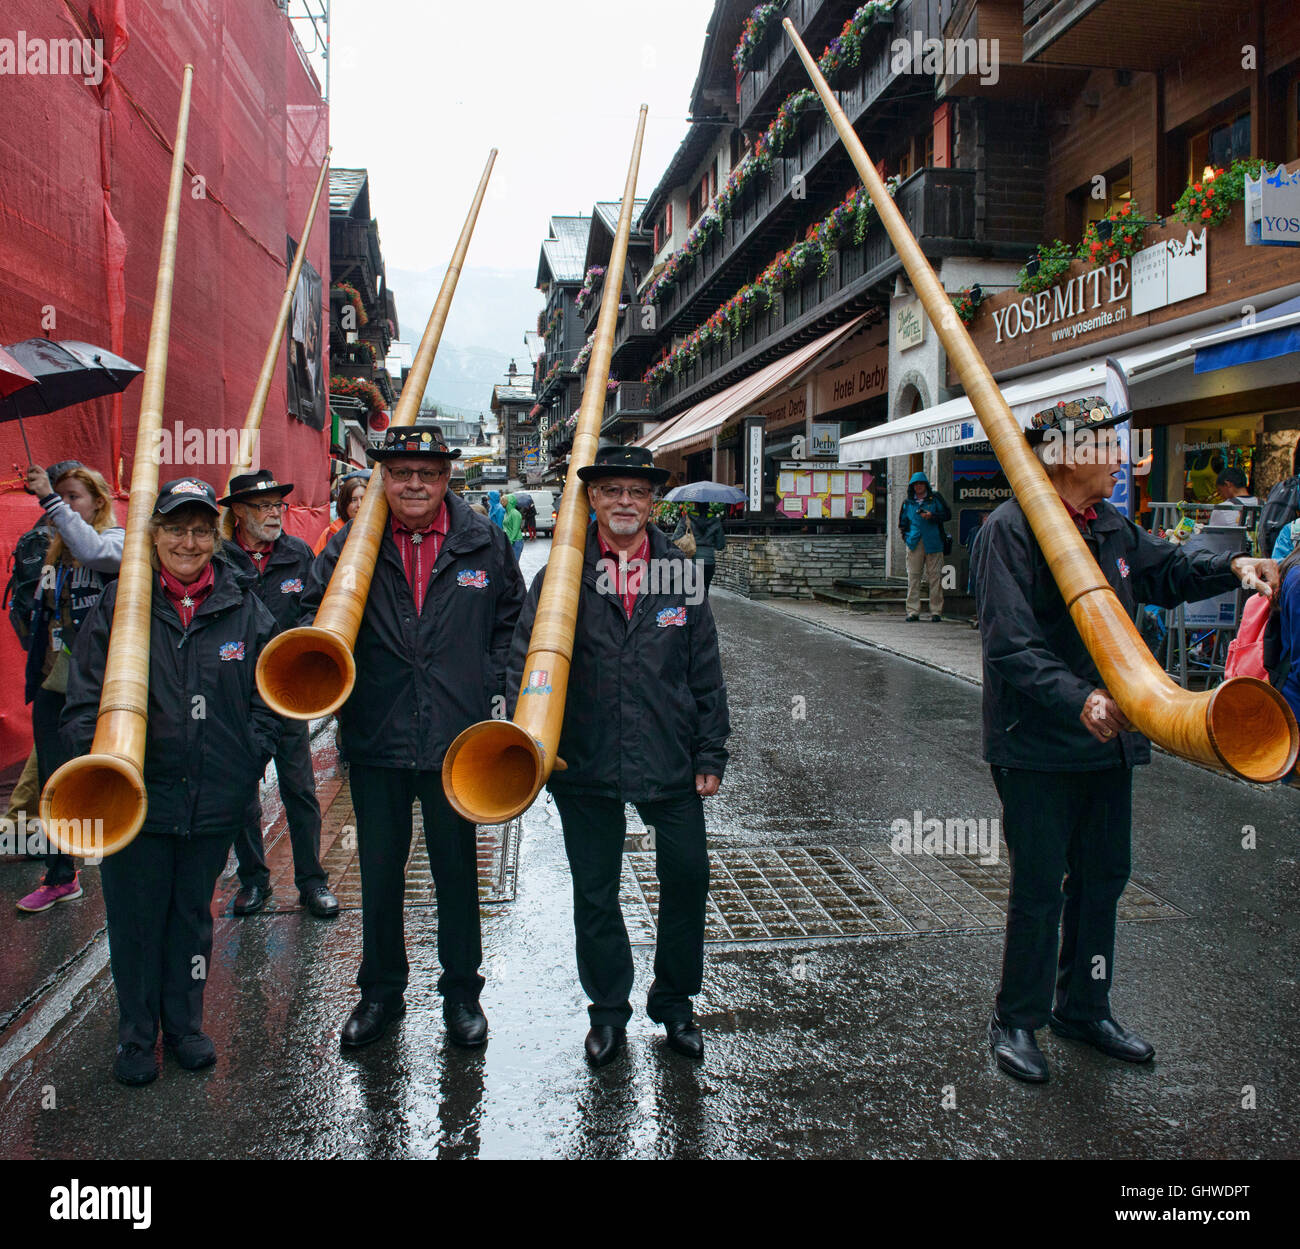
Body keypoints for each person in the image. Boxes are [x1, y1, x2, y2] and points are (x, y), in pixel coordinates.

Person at [970, 397, 1278, 1084]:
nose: (1120, 456)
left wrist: (1234, 566)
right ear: (1065, 453)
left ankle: (1083, 1004)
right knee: (1041, 885)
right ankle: (1017, 1018)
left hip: (1110, 742)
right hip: (1038, 742)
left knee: (1104, 876)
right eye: (1107, 445)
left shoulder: (1110, 524)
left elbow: (1167, 570)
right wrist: (1079, 698)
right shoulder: (1008, 529)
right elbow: (1009, 647)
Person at [301, 420, 524, 1049]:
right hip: (378, 737)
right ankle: (380, 995)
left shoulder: (482, 541)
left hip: (459, 742)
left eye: (428, 473)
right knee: (379, 871)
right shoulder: (350, 544)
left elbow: (513, 617)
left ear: (447, 476)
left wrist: (488, 682)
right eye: (401, 473)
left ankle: (461, 996)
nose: (415, 484)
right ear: (384, 479)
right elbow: (313, 620)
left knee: (457, 872)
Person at [507, 445, 729, 1067]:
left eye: (636, 490)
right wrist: (528, 738)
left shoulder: (679, 571)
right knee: (596, 892)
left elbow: (705, 668)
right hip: (585, 757)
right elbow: (524, 662)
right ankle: (607, 1011)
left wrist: (711, 749)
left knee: (687, 877)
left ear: (651, 501)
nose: (625, 501)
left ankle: (676, 1004)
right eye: (612, 491)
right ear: (593, 500)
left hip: (670, 752)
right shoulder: (563, 572)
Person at [62, 478, 280, 1084]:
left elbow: (271, 695)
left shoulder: (242, 603)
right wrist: (104, 764)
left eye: (199, 529)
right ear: (154, 535)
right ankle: (136, 1036)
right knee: (135, 919)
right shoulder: (120, 603)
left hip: (213, 797)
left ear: (215, 536)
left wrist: (246, 761)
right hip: (133, 799)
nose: (188, 541)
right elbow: (80, 700)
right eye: (175, 528)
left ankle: (185, 1026)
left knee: (191, 917)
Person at [219, 469, 336, 919]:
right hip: (237, 694)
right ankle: (254, 880)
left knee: (300, 789)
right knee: (242, 792)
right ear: (239, 513)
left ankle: (311, 882)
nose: (273, 514)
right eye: (263, 506)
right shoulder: (221, 559)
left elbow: (313, 607)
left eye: (277, 505)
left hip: (288, 690)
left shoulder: (297, 552)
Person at [16, 462, 122, 914]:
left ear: (98, 501)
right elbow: (34, 613)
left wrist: (50, 501)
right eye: (61, 497)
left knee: (109, 776)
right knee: (54, 785)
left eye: (74, 496)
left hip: (103, 688)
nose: (63, 505)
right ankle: (62, 875)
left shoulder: (116, 541)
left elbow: (96, 552)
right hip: (55, 686)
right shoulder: (51, 551)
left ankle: (124, 856)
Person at [899, 470, 950, 622]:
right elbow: (902, 523)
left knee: (935, 577)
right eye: (916, 484)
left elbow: (947, 515)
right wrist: (907, 538)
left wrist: (932, 516)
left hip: (933, 541)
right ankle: (913, 611)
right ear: (912, 486)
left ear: (926, 485)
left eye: (921, 484)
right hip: (914, 542)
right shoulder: (907, 503)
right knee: (913, 577)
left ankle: (936, 611)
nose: (919, 487)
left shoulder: (935, 499)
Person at [671, 502, 727, 594]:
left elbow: (675, 538)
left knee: (691, 594)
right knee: (704, 593)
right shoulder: (715, 520)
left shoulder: (687, 519)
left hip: (692, 561)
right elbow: (720, 545)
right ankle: (703, 607)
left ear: (695, 505)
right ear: (708, 504)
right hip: (709, 561)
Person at [314, 471, 369, 556]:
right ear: (344, 503)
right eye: (353, 500)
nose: (359, 505)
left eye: (363, 498)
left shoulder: (381, 532)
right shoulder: (329, 534)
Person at [503, 493, 524, 561]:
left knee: (514, 563)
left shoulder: (515, 513)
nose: (502, 503)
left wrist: (511, 540)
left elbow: (516, 528)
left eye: (504, 501)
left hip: (516, 541)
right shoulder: (507, 513)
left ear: (509, 502)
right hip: (509, 541)